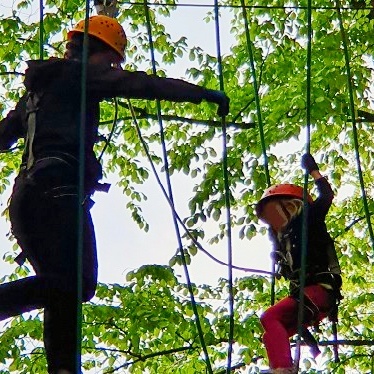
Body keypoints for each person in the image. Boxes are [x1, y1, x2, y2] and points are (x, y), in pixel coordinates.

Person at [0, 15, 230, 374]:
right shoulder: (79, 74)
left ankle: (63, 368)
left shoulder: (36, 93)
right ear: (96, 52)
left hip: (28, 200)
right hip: (56, 192)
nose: (112, 67)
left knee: (63, 287)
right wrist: (200, 94)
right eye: (110, 60)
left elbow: (3, 136)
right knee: (76, 282)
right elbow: (139, 85)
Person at [255, 153, 342, 374]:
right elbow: (297, 298)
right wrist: (308, 338)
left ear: (290, 206)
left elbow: (326, 196)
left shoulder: (309, 220)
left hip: (321, 290)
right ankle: (281, 367)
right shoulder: (285, 247)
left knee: (270, 316)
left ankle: (283, 369)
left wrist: (313, 171)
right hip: (312, 298)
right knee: (273, 329)